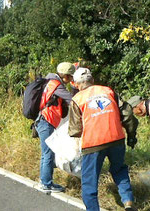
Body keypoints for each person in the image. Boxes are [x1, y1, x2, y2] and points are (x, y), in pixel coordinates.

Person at [68, 68, 138, 211]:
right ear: (92, 80)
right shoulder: (108, 91)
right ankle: (128, 203)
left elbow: (75, 130)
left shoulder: (77, 99)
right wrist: (131, 136)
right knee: (119, 170)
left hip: (93, 144)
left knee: (89, 182)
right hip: (116, 138)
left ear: (76, 84)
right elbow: (127, 115)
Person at [34, 62, 75, 193]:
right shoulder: (56, 85)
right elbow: (72, 100)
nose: (71, 80)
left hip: (44, 121)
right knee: (48, 154)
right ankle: (46, 183)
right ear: (65, 75)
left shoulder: (50, 82)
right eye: (70, 77)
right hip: (45, 122)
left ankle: (45, 180)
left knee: (47, 153)